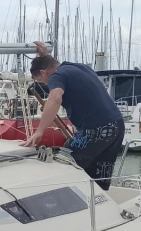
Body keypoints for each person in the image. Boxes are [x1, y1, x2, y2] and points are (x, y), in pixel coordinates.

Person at [21, 42, 125, 190]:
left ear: (44, 73)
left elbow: (55, 98)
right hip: (117, 125)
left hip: (96, 129)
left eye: (41, 81)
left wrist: (40, 131)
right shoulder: (79, 67)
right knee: (98, 176)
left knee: (64, 161)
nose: (44, 84)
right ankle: (99, 206)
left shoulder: (55, 77)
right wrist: (44, 56)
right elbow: (50, 64)